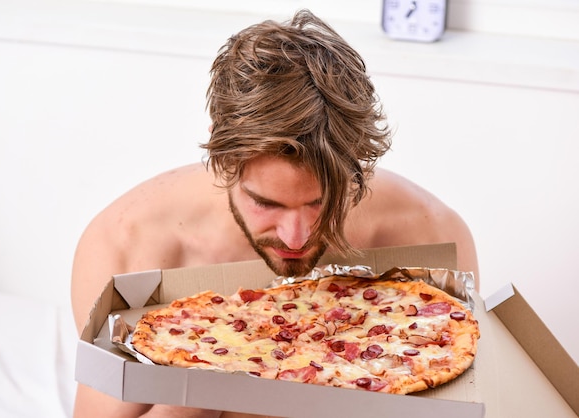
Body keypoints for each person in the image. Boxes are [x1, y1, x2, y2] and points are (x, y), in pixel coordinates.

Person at [71, 9, 478, 418]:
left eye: (321, 202)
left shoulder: (431, 234)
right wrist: (203, 377)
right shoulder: (127, 244)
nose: (295, 236)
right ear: (222, 157)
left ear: (358, 166)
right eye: (266, 203)